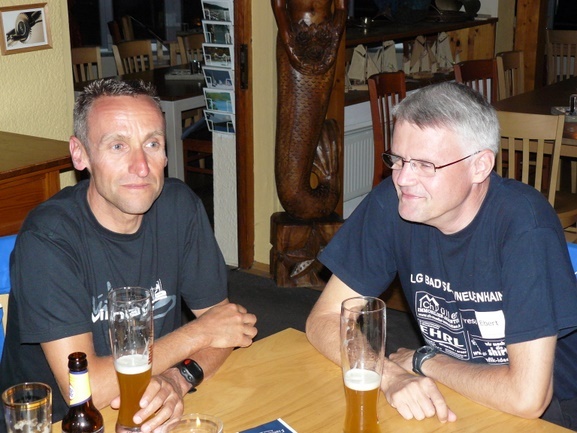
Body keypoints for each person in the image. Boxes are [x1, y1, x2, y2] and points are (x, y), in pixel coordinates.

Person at [306, 81, 577, 430]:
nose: (403, 179)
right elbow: (324, 319)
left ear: (480, 166)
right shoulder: (393, 202)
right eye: (397, 160)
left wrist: (426, 361)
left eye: (424, 164)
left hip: (553, 413)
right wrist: (389, 375)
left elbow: (528, 399)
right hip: (456, 391)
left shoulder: (524, 225)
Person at [0, 79, 258, 432]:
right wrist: (197, 334)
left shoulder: (179, 207)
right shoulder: (48, 239)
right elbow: (88, 391)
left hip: (145, 413)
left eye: (152, 144)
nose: (141, 166)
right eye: (118, 146)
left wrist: (178, 378)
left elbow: (226, 328)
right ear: (80, 154)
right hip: (61, 423)